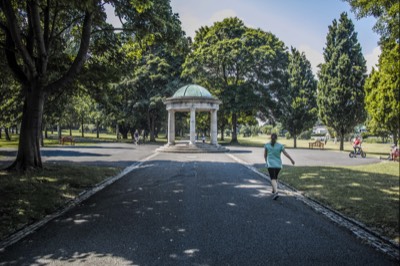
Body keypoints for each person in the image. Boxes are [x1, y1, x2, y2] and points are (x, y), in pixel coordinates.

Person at [264, 133, 295, 200]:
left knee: (273, 178)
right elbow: (285, 153)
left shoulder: (267, 145)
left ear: (270, 138)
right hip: (278, 164)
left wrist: (266, 162)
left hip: (270, 164)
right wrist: (291, 160)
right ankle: (273, 189)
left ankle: (276, 192)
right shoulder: (280, 145)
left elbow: (265, 155)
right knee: (275, 177)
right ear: (276, 138)